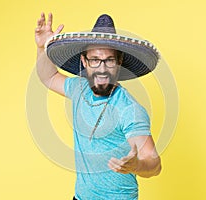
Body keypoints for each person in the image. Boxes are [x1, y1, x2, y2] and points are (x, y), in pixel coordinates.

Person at [35, 12, 162, 200]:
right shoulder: (79, 88)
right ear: (84, 62)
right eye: (94, 60)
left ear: (119, 63)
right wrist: (42, 48)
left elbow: (154, 163)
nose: (102, 68)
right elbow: (49, 77)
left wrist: (137, 166)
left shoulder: (129, 109)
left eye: (109, 60)